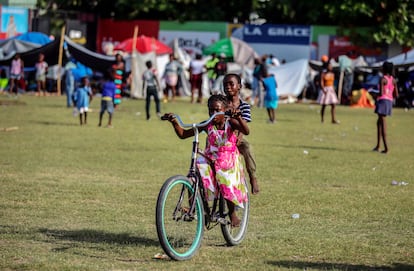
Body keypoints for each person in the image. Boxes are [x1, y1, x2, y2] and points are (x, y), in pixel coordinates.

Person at [162, 94, 249, 227]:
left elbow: (246, 131)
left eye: (217, 110)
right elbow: (183, 134)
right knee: (196, 170)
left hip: (228, 158)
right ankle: (194, 207)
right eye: (210, 110)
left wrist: (237, 117)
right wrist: (174, 122)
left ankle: (232, 212)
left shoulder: (230, 122)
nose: (213, 114)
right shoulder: (207, 124)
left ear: (224, 110)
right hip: (211, 156)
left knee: (224, 177)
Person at [223, 73, 259, 195]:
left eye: (231, 84)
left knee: (247, 148)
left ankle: (253, 177)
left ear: (239, 86)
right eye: (225, 85)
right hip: (222, 137)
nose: (228, 87)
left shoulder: (244, 106)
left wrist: (239, 137)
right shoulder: (220, 105)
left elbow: (245, 126)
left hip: (238, 136)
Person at [373, 61, 398, 154]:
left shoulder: (383, 79)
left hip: (382, 101)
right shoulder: (393, 80)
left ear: (384, 69)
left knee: (383, 123)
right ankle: (378, 146)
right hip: (389, 102)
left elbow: (381, 93)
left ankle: (386, 148)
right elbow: (396, 94)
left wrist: (373, 93)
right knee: (379, 122)